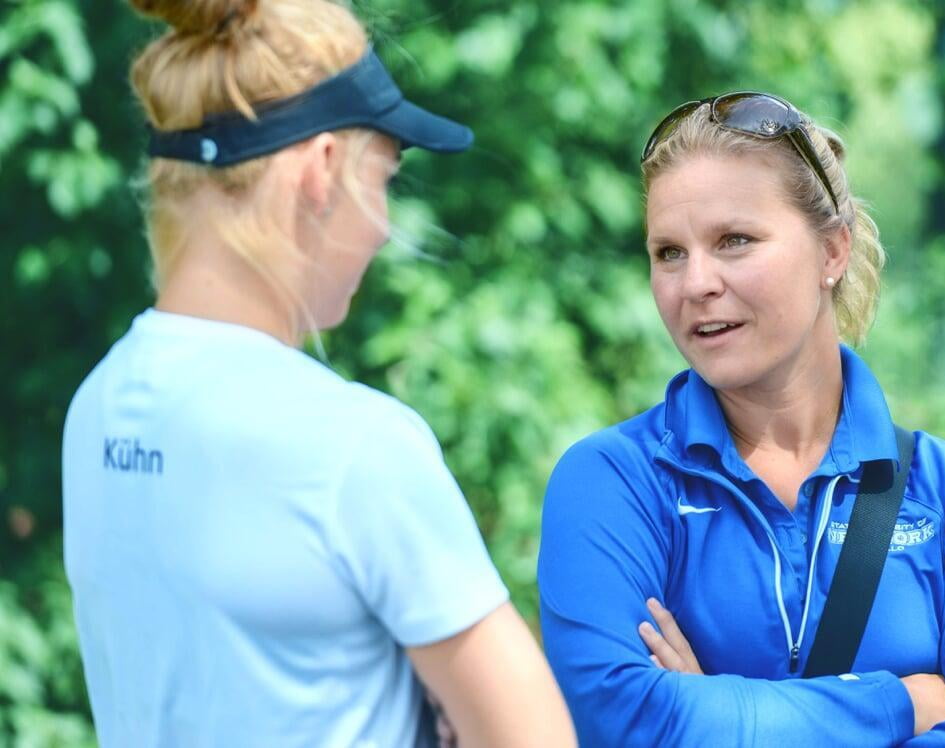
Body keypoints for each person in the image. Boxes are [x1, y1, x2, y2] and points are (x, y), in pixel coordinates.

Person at [61, 1, 576, 746]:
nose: (385, 227)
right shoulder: (353, 445)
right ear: (322, 170)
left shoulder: (98, 410)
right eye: (386, 181)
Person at [537, 92, 945, 745]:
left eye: (734, 240)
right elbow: (622, 717)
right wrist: (901, 703)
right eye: (668, 252)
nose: (694, 282)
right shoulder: (613, 484)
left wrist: (708, 711)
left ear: (832, 253)